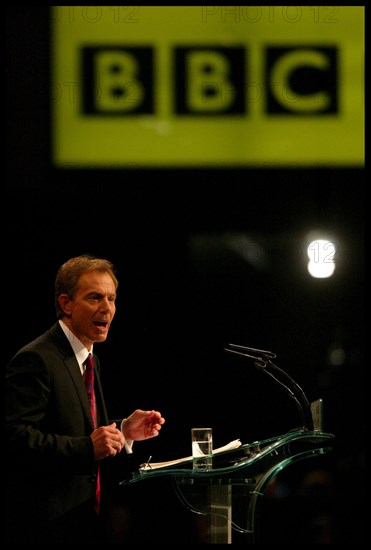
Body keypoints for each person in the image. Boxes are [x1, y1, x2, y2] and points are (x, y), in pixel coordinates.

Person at [5, 254, 165, 544]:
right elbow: (16, 439)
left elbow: (80, 428)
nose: (107, 308)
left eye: (112, 298)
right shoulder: (37, 358)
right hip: (46, 524)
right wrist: (87, 447)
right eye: (95, 298)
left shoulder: (90, 359)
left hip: (83, 521)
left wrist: (124, 430)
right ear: (66, 304)